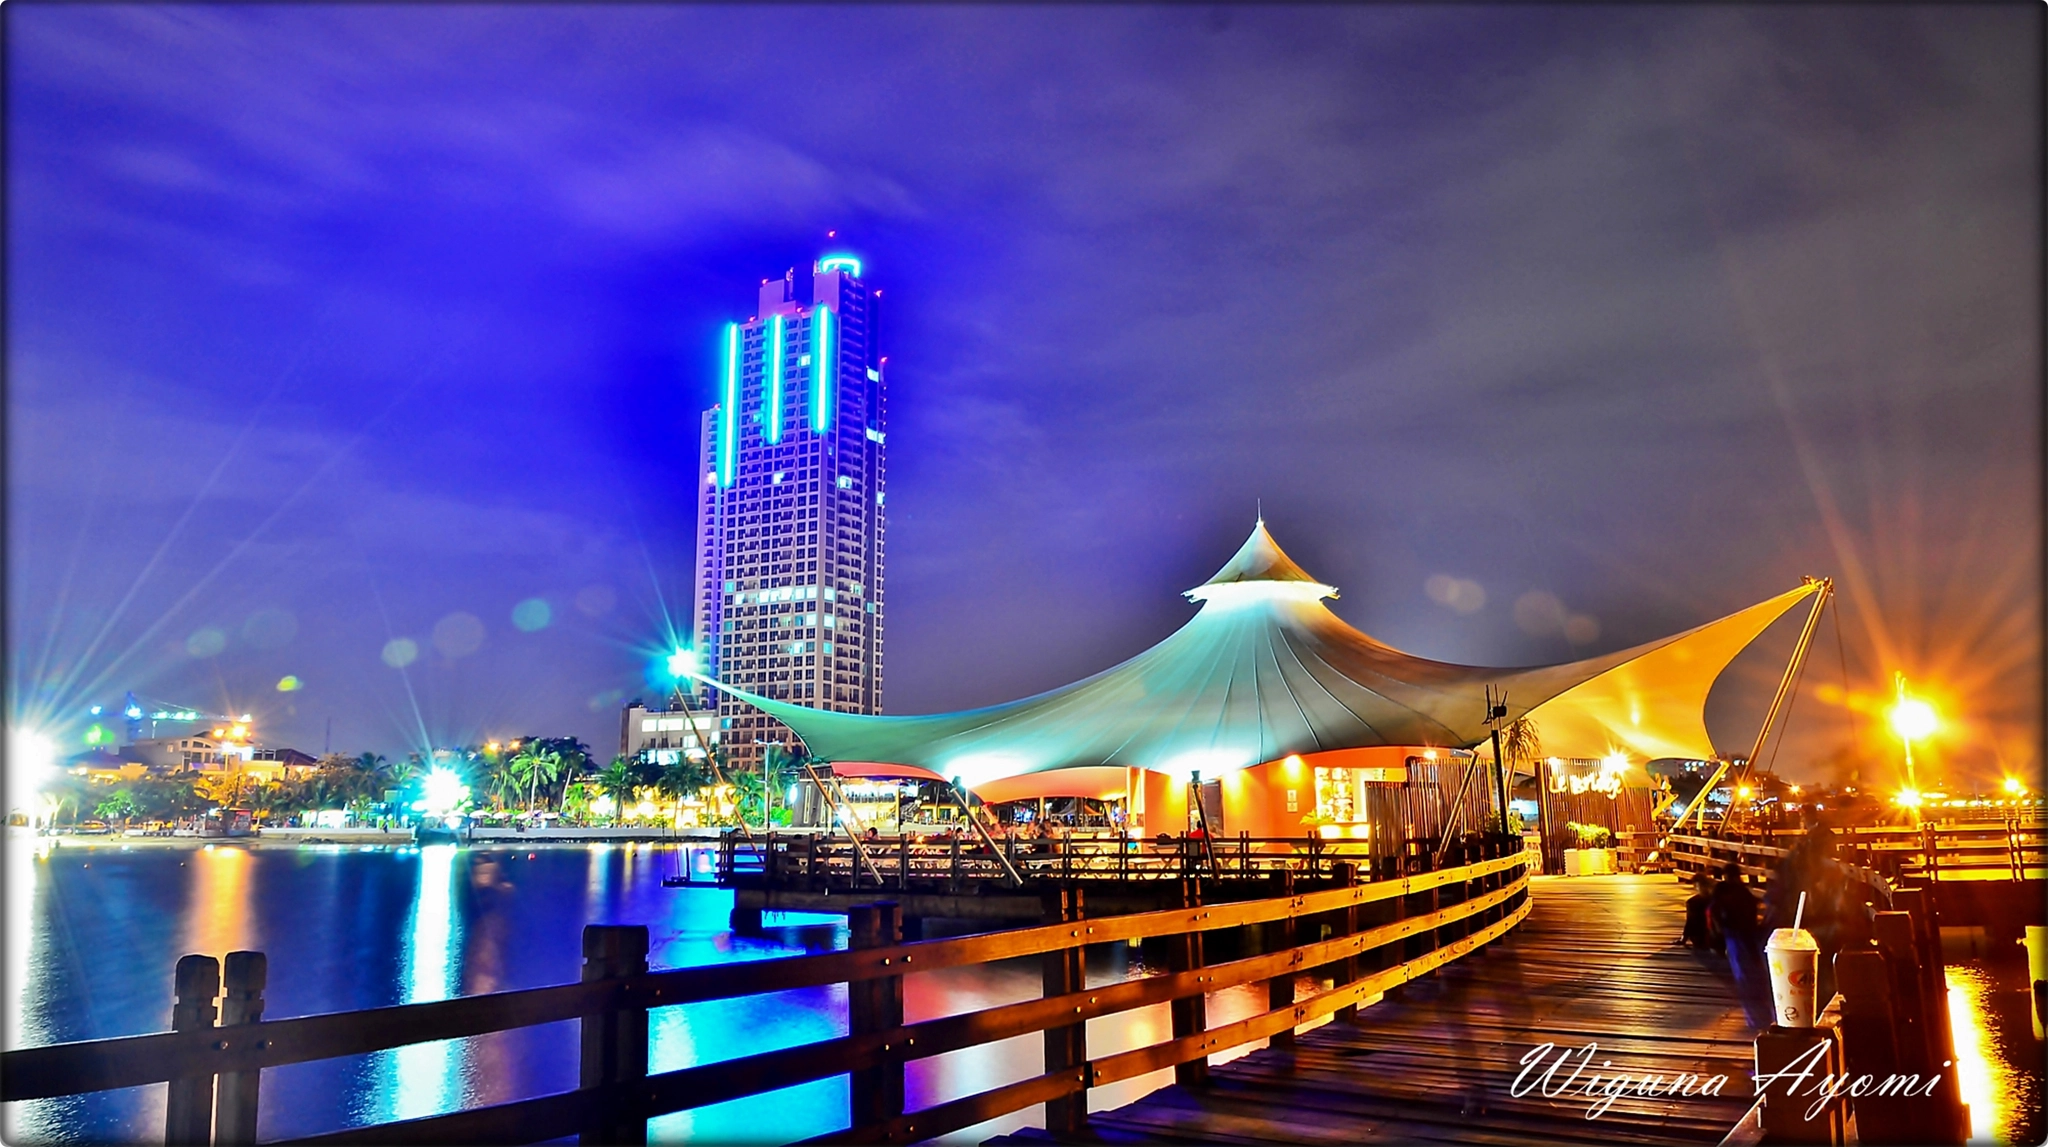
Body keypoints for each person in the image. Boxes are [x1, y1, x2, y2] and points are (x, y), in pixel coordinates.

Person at [1710, 862, 1771, 1026]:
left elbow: (1715, 910)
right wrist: (1719, 930)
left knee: (1746, 973)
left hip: (1742, 935)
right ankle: (1757, 1017)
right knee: (1746, 973)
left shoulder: (1734, 891)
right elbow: (1715, 911)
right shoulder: (1728, 890)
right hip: (1738, 935)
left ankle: (1757, 1017)